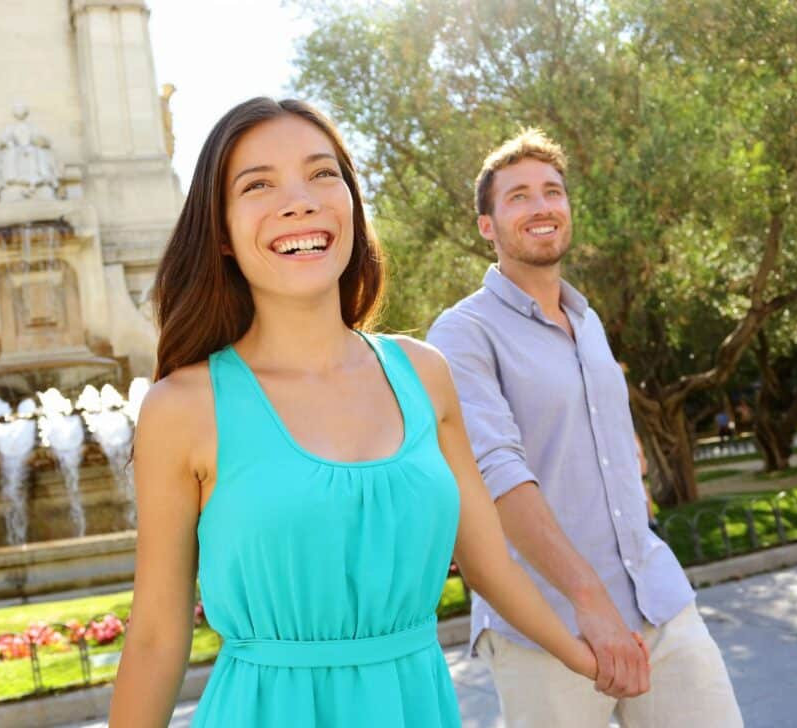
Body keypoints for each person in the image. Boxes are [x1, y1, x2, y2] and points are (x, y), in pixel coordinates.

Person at [108, 99, 608, 727]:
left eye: (322, 174)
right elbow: (156, 634)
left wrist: (588, 656)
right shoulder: (183, 407)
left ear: (351, 205)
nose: (300, 201)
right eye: (258, 184)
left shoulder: (425, 375)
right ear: (222, 234)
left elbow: (490, 566)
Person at [426, 128, 742, 727]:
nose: (542, 206)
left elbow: (609, 442)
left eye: (553, 191)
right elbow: (496, 475)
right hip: (545, 629)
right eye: (518, 196)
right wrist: (588, 601)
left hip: (658, 601)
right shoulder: (461, 334)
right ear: (486, 226)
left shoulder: (587, 319)